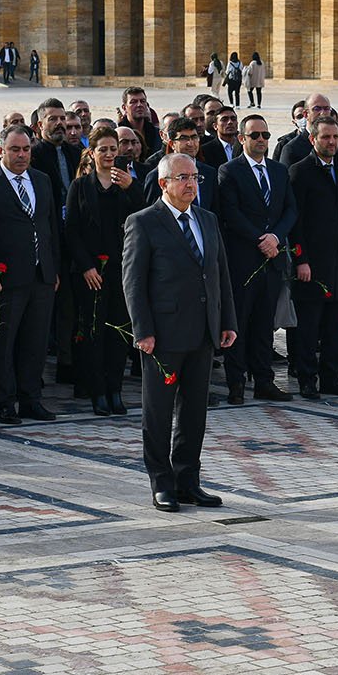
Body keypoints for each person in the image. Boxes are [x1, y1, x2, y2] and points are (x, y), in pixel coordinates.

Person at [122, 153, 237, 512]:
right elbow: (133, 282)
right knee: (158, 411)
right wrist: (143, 330)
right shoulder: (143, 222)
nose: (191, 184)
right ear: (163, 184)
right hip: (163, 334)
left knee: (193, 412)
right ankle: (162, 482)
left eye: (195, 178)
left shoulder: (207, 219)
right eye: (183, 178)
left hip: (202, 331)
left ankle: (189, 480)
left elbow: (220, 275)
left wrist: (227, 321)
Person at [0, 125, 61, 423]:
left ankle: (30, 399)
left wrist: (53, 267)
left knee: (35, 343)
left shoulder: (42, 180)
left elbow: (50, 228)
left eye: (26, 149)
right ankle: (4, 401)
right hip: (4, 279)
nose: (22, 155)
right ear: (1, 150)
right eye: (15, 150)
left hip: (41, 275)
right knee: (4, 342)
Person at [217, 114, 297, 404]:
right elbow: (231, 213)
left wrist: (275, 237)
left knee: (265, 324)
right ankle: (236, 383)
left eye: (265, 135)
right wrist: (259, 239)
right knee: (239, 322)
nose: (261, 140)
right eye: (254, 136)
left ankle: (264, 381)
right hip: (244, 260)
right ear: (242, 139)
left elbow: (290, 209)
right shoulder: (229, 171)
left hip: (272, 258)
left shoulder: (278, 171)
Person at [64, 127, 144, 415]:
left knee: (119, 331)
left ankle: (115, 390)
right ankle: (97, 390)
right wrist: (86, 266)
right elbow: (71, 230)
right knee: (93, 330)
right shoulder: (80, 186)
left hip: (122, 269)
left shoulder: (129, 184)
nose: (109, 155)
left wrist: (130, 187)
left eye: (114, 150)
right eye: (103, 150)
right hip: (91, 271)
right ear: (92, 153)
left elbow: (145, 215)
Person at [287, 117, 338, 400]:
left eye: (335, 137)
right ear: (313, 139)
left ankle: (331, 378)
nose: (331, 142)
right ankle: (308, 379)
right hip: (312, 265)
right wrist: (301, 259)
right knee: (309, 328)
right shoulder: (299, 172)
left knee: (335, 327)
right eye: (325, 137)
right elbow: (296, 222)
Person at [143, 117, 215, 210]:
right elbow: (152, 212)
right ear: (172, 144)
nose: (190, 143)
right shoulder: (157, 176)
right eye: (183, 138)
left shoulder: (209, 173)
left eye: (194, 137)